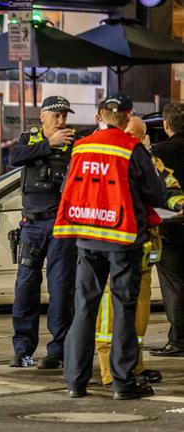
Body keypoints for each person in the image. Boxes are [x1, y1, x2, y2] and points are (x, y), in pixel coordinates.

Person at [55, 94, 167, 400]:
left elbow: (69, 188)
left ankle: (75, 382)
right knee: (123, 308)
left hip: (87, 237)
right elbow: (156, 194)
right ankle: (122, 381)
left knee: (84, 308)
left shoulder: (82, 146)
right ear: (128, 116)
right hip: (122, 239)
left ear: (101, 114)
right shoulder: (131, 147)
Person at [95, 115, 184, 386]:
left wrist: (179, 204)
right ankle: (110, 370)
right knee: (112, 310)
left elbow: (167, 188)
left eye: (143, 136)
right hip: (116, 247)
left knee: (140, 310)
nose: (140, 141)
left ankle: (134, 365)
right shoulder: (111, 160)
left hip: (143, 246)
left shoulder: (147, 161)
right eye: (135, 135)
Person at [8, 95, 77, 369]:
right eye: (56, 115)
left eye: (64, 116)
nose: (61, 121)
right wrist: (49, 144)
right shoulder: (29, 139)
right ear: (43, 116)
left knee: (60, 290)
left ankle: (57, 352)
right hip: (32, 226)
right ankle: (22, 350)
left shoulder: (74, 143)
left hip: (61, 226)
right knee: (25, 287)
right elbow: (14, 157)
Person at [150, 103, 184, 357]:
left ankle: (179, 340)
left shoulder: (158, 152)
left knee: (173, 283)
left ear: (166, 125)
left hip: (172, 227)